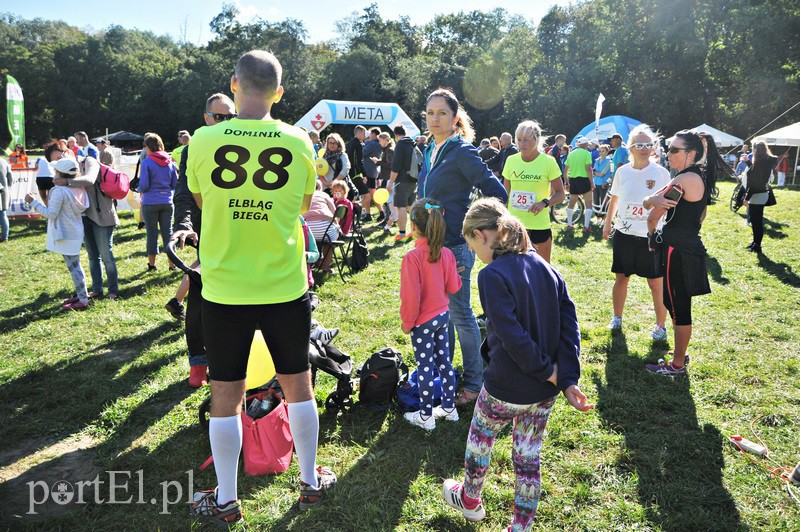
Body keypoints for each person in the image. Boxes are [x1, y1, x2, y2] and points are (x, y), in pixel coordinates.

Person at [187, 50, 334, 525]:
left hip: (224, 288)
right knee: (298, 386)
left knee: (225, 395)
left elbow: (203, 202)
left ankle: (227, 500)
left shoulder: (204, 139)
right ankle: (309, 483)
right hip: (283, 285)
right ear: (279, 92)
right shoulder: (298, 140)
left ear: (234, 84)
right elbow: (304, 206)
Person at [442, 197, 593, 530]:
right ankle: (520, 526)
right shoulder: (547, 266)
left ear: (481, 235)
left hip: (505, 387)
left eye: (472, 247)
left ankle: (469, 500)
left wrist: (550, 372)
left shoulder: (491, 275)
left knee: (480, 440)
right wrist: (567, 378)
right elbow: (570, 327)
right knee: (528, 459)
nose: (474, 254)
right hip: (546, 391)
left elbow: (512, 337)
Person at [417, 87, 508, 405]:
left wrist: (476, 233)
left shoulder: (461, 150)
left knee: (460, 315)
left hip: (456, 246)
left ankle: (473, 383)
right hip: (431, 245)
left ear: (455, 119)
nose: (435, 118)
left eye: (442, 113)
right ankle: (447, 375)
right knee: (438, 314)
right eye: (430, 113)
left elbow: (496, 192)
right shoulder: (431, 148)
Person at [643, 130, 728, 376]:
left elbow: (653, 213)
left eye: (674, 149)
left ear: (690, 153)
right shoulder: (697, 176)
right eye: (668, 148)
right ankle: (680, 354)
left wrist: (651, 235)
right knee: (675, 302)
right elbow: (700, 214)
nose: (668, 153)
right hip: (687, 246)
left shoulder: (682, 180)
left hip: (676, 249)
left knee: (678, 306)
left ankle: (677, 364)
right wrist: (652, 200)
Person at [167, 92, 237, 388]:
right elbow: (184, 191)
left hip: (240, 228)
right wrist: (183, 225)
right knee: (199, 290)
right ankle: (198, 362)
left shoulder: (245, 140)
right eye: (219, 117)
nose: (225, 122)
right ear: (206, 118)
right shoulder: (194, 147)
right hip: (206, 228)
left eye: (231, 117)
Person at [602, 125, 671, 340]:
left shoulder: (661, 173)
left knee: (655, 282)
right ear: (630, 148)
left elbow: (669, 204)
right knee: (621, 277)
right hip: (624, 234)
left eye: (648, 145)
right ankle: (617, 317)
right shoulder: (622, 172)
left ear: (654, 147)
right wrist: (608, 223)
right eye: (639, 145)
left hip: (651, 237)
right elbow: (615, 199)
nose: (644, 149)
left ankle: (660, 326)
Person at [400, 198, 461, 429]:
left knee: (425, 366)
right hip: (443, 317)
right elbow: (454, 287)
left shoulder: (412, 258)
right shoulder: (447, 254)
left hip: (422, 323)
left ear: (414, 226)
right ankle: (449, 408)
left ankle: (426, 416)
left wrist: (407, 323)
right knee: (444, 363)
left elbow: (411, 297)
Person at [56, 139, 119, 300]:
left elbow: (90, 179)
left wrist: (67, 181)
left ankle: (113, 290)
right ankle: (97, 289)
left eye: (64, 154)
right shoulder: (68, 169)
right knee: (92, 256)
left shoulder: (89, 161)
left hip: (102, 215)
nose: (62, 158)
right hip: (84, 217)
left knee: (106, 255)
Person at [25, 158, 90, 310]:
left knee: (74, 267)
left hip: (65, 233)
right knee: (75, 266)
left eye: (56, 170)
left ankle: (83, 298)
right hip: (75, 230)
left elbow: (51, 214)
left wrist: (33, 202)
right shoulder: (78, 186)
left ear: (60, 173)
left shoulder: (60, 191)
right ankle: (81, 295)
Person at [502, 120, 565, 263]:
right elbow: (505, 194)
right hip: (514, 225)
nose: (521, 144)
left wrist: (544, 203)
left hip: (539, 226)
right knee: (514, 270)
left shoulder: (548, 162)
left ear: (537, 139)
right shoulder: (511, 160)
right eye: (519, 140)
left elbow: (560, 194)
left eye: (526, 139)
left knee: (541, 270)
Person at [139, 133, 178, 271]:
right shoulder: (170, 162)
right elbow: (174, 183)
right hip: (167, 201)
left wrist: (138, 189)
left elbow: (144, 185)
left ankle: (152, 265)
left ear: (148, 147)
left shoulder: (147, 162)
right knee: (168, 233)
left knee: (152, 234)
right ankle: (172, 264)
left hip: (150, 201)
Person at [743, 141, 778, 253]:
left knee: (756, 222)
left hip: (757, 194)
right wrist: (748, 162)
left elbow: (755, 182)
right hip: (761, 193)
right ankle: (755, 243)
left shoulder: (760, 163)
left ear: (756, 150)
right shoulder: (764, 162)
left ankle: (757, 245)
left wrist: (746, 198)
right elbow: (755, 172)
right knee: (756, 221)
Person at [386, 125, 417, 241]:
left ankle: (402, 234)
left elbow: (396, 166)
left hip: (402, 181)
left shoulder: (400, 144)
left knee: (401, 207)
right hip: (413, 179)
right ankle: (414, 232)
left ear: (396, 135)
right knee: (411, 207)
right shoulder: (413, 143)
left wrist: (390, 183)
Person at [563, 137, 594, 231]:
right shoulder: (587, 153)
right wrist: (592, 182)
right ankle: (586, 226)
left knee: (572, 203)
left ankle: (569, 224)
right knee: (588, 203)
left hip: (573, 180)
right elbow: (588, 168)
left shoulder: (571, 154)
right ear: (585, 145)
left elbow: (565, 170)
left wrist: (566, 183)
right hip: (584, 180)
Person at [361, 127, 383, 222]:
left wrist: (365, 144)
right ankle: (379, 212)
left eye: (370, 133)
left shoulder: (371, 144)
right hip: (374, 171)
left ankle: (370, 214)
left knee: (367, 194)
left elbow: (362, 153)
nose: (369, 136)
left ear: (373, 133)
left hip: (368, 171)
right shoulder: (379, 144)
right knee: (372, 193)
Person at [592, 144, 612, 219]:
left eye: (603, 151)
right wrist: (596, 173)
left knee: (604, 202)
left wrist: (595, 172)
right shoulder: (597, 160)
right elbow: (594, 171)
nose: (601, 153)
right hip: (596, 183)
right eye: (599, 151)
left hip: (603, 184)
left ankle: (604, 218)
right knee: (596, 201)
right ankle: (598, 217)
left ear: (607, 152)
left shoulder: (609, 161)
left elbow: (602, 174)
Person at [35, 142, 56, 206]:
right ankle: (49, 208)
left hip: (40, 178)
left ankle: (47, 207)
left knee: (43, 197)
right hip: (50, 177)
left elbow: (36, 167)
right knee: (50, 197)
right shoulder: (54, 159)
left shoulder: (40, 158)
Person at [0, 155, 11, 242]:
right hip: (4, 190)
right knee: (3, 213)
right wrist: (8, 187)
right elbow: (10, 178)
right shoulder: (4, 161)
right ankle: (4, 237)